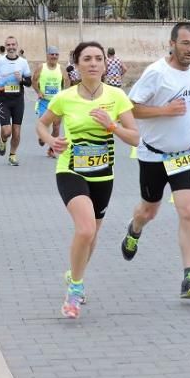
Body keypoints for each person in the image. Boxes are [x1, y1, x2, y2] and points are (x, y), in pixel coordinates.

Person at [37, 41, 140, 318]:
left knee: (92, 234)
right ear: (76, 65)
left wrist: (112, 125)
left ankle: (75, 273)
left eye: (98, 59)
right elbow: (42, 123)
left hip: (103, 174)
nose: (93, 63)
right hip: (70, 170)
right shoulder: (65, 97)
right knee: (85, 230)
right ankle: (75, 289)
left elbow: (134, 137)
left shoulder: (117, 96)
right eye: (87, 59)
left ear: (106, 65)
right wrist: (50, 139)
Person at [120, 22, 190, 299]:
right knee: (149, 211)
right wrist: (164, 110)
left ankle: (189, 276)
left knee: (188, 211)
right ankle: (134, 229)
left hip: (186, 154)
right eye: (185, 43)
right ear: (172, 43)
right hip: (153, 155)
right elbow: (131, 108)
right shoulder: (156, 73)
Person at [0, 36, 32, 166]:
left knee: (17, 132)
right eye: (8, 45)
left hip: (18, 100)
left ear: (17, 46)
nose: (11, 47)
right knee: (7, 131)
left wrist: (21, 80)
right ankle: (3, 139)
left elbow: (29, 83)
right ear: (5, 46)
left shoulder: (23, 62)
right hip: (3, 99)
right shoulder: (0, 61)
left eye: (13, 44)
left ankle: (12, 155)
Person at [32, 45, 70, 157]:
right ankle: (42, 136)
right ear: (47, 55)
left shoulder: (61, 68)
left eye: (56, 54)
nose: (54, 56)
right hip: (44, 101)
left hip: (57, 102)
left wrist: (64, 93)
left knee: (57, 126)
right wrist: (38, 92)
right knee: (44, 124)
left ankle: (52, 149)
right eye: (52, 54)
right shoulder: (41, 67)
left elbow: (67, 81)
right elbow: (34, 81)